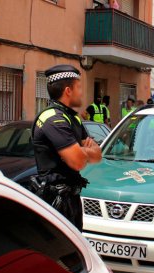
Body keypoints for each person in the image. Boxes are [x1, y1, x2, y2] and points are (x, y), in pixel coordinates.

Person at [31, 64, 102, 231]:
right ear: (68, 91)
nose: (81, 92)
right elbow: (77, 162)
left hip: (70, 198)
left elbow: (98, 154)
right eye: (78, 87)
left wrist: (78, 151)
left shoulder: (72, 118)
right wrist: (81, 152)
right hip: (55, 200)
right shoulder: (53, 119)